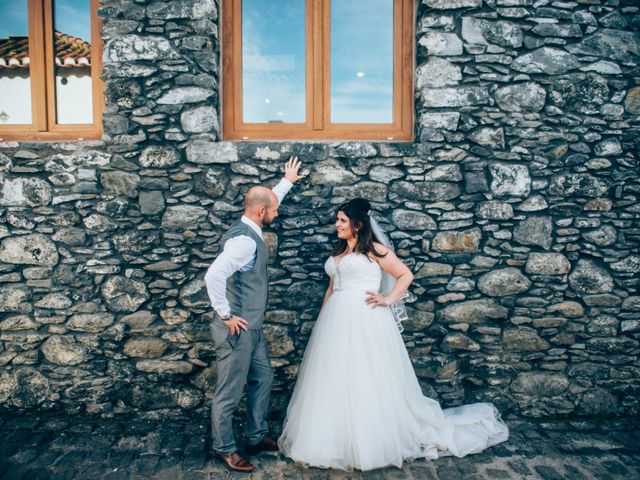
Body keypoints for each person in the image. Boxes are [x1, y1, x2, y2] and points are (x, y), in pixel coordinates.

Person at [278, 198, 509, 471]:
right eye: (337, 220)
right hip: (335, 320)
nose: (336, 225)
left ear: (357, 225)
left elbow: (405, 275)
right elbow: (331, 288)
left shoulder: (375, 250)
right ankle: (332, 440)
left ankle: (370, 440)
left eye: (342, 220)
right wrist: (321, 319)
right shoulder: (339, 251)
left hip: (365, 318)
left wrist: (388, 300)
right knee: (334, 376)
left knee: (367, 376)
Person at [204, 157, 303, 473]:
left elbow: (269, 199)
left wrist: (285, 182)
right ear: (262, 213)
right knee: (229, 392)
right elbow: (213, 277)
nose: (277, 213)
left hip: (253, 328)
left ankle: (256, 435)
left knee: (263, 376)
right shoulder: (244, 242)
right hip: (238, 330)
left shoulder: (250, 223)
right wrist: (226, 315)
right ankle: (225, 448)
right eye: (273, 210)